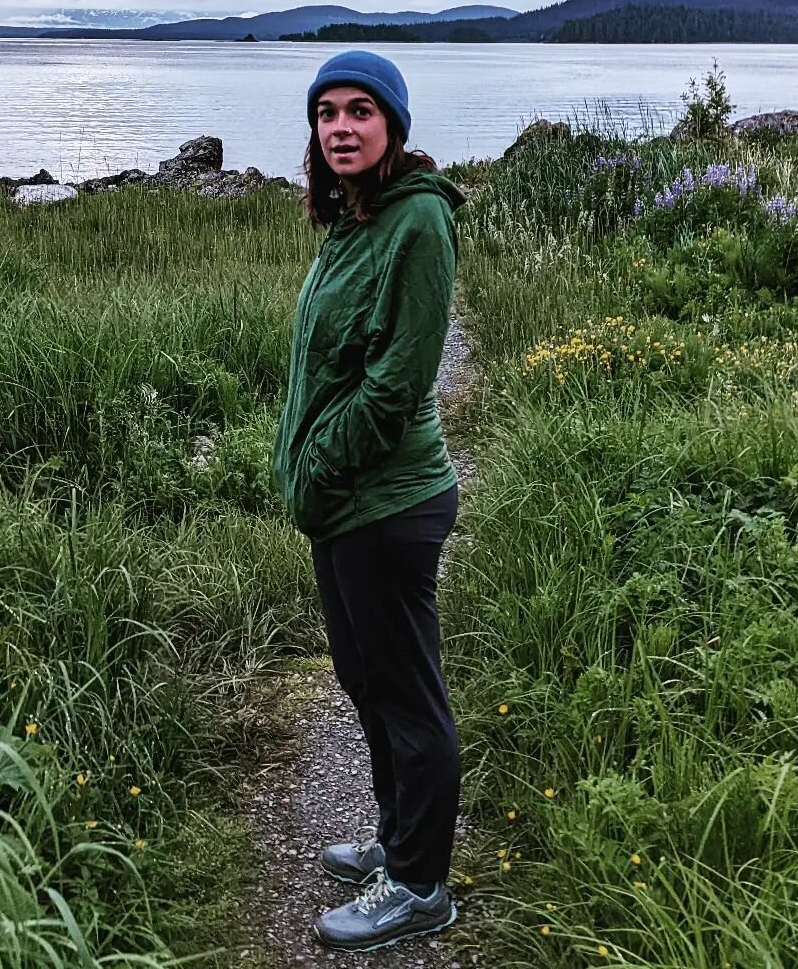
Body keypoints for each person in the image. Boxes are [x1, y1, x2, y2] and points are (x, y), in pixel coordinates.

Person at [272, 50, 466, 953]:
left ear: (393, 125)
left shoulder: (417, 222)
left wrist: (318, 468)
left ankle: (422, 886)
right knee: (364, 683)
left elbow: (395, 387)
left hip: (384, 503)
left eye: (359, 111)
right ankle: (396, 844)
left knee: (407, 699)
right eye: (325, 114)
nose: (340, 127)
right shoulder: (354, 219)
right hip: (342, 504)